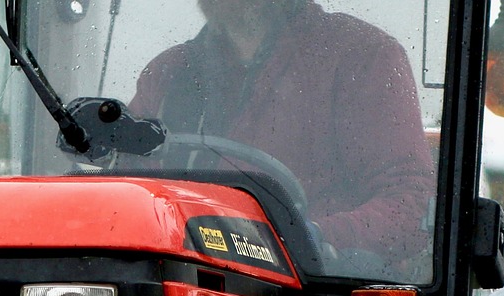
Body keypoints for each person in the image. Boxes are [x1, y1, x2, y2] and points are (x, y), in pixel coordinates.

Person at [130, 0, 435, 269]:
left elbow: (411, 205)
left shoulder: (361, 58)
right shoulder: (168, 76)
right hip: (184, 286)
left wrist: (310, 238)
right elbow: (126, 194)